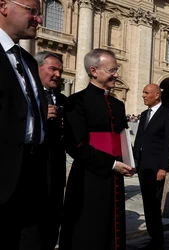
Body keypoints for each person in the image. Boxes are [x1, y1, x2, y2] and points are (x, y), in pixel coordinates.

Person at [59, 49, 134, 250]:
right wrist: (111, 164)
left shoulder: (118, 105)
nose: (117, 74)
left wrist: (130, 162)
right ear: (94, 71)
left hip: (115, 175)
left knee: (113, 225)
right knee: (88, 227)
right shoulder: (76, 101)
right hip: (88, 175)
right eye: (112, 70)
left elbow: (122, 137)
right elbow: (76, 145)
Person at [0, 0, 48, 249]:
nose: (39, 19)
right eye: (33, 11)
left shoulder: (28, 61)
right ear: (3, 6)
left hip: (30, 177)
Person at [134, 84, 169, 250]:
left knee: (153, 204)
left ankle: (158, 240)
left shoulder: (168, 114)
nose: (143, 95)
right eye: (143, 92)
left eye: (146, 93)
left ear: (157, 95)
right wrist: (134, 162)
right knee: (147, 203)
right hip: (143, 166)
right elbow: (139, 139)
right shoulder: (144, 114)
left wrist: (163, 168)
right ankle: (153, 236)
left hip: (156, 168)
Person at [35, 51, 67, 250]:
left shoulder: (63, 98)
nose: (57, 74)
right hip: (32, 169)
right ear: (38, 68)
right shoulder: (27, 95)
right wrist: (38, 115)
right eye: (52, 69)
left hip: (56, 168)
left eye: (60, 71)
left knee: (54, 217)